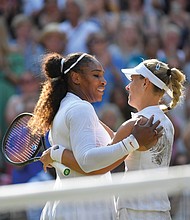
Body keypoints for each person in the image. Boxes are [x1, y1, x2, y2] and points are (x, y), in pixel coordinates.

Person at [29, 52, 162, 220]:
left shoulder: (70, 106)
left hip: (71, 206)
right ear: (76, 78)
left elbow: (112, 144)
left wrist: (56, 154)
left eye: (103, 76)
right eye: (96, 75)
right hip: (83, 210)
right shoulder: (80, 109)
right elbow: (88, 162)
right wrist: (134, 141)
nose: (104, 81)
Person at [114, 59, 185, 220]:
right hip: (160, 210)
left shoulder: (136, 123)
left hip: (134, 210)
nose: (127, 86)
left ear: (145, 83)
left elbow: (105, 153)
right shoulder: (168, 123)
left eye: (132, 80)